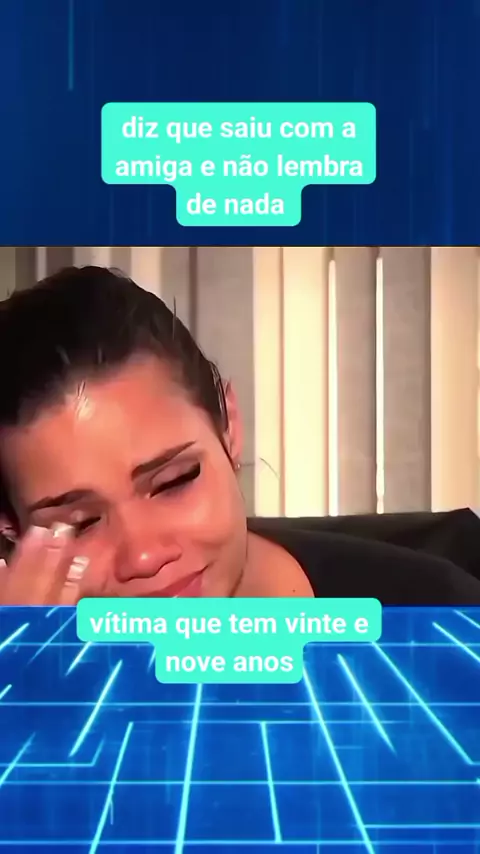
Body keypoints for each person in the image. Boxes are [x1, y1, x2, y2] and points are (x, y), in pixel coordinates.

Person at [0, 265, 478, 606]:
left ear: (228, 426)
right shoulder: (31, 689)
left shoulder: (440, 616)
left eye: (174, 481)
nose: (143, 555)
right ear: (11, 532)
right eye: (80, 523)